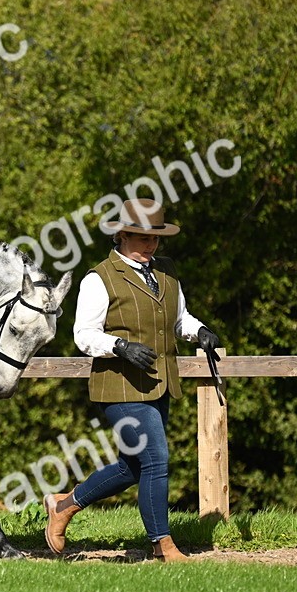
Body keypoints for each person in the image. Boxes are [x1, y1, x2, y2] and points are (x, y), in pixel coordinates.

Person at [45, 198, 221, 562]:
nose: (151, 246)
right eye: (143, 239)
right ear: (122, 235)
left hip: (160, 381)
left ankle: (64, 505)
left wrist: (199, 330)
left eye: (155, 239)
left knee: (132, 468)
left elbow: (179, 318)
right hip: (119, 386)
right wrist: (120, 346)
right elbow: (83, 335)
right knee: (156, 459)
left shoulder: (167, 272)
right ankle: (163, 544)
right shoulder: (99, 278)